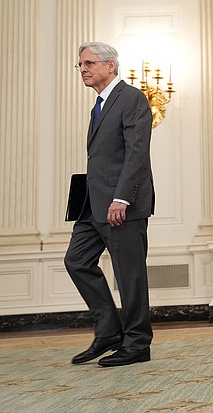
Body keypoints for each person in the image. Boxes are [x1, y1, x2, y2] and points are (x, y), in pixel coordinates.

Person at [64, 41, 155, 367]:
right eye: (81, 65)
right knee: (76, 261)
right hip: (93, 204)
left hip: (122, 204)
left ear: (110, 66)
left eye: (89, 63)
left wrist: (121, 198)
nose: (83, 69)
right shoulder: (100, 104)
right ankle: (108, 332)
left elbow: (136, 153)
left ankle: (137, 343)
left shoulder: (131, 98)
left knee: (129, 275)